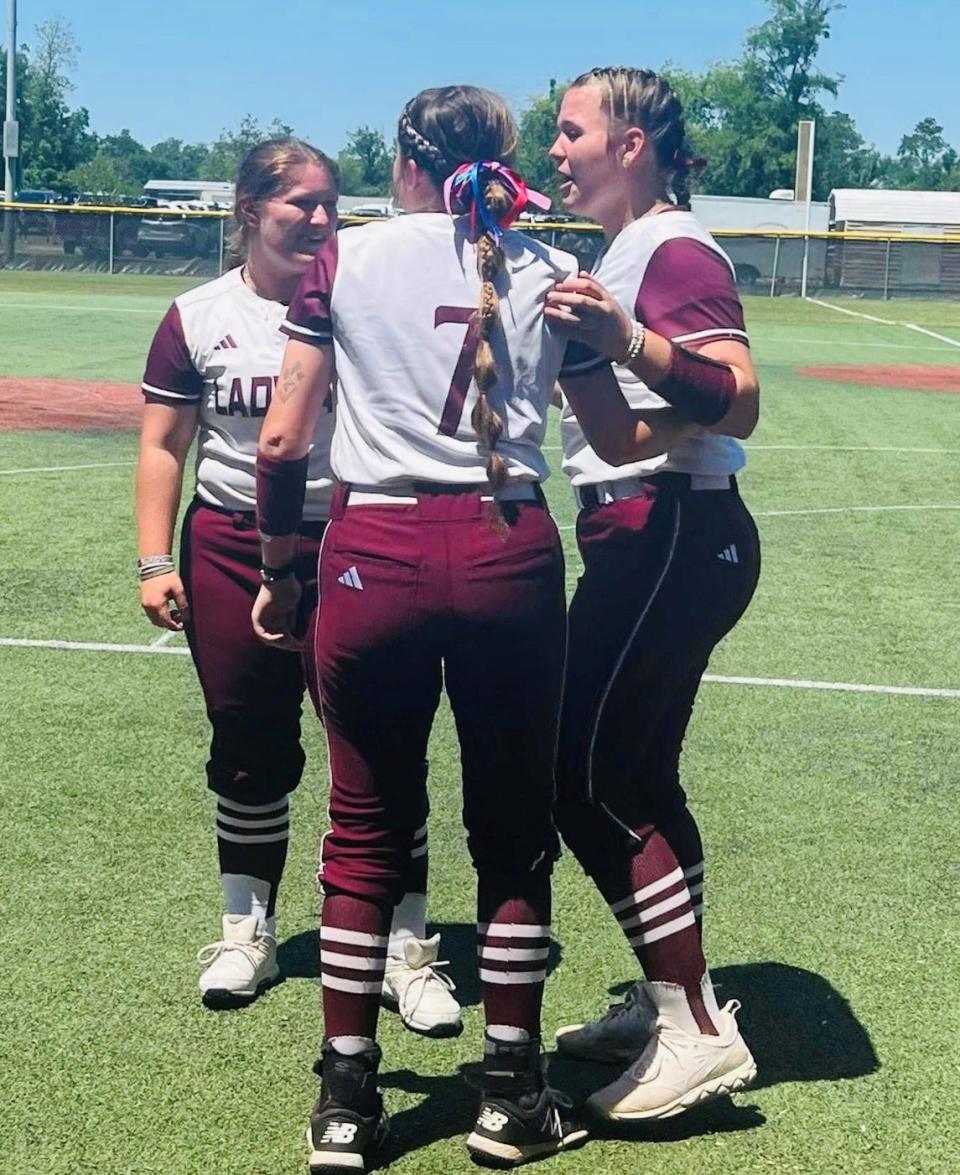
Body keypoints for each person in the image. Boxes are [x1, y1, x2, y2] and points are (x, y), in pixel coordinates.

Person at [251, 84, 676, 1172]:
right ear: (501, 162)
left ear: (404, 160)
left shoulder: (345, 258)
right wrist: (722, 401)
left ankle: (346, 1100)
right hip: (508, 553)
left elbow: (282, 442)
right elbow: (623, 436)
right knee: (512, 825)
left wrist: (282, 574)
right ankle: (512, 1091)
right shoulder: (546, 272)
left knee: (364, 826)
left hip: (370, 555)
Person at [135, 138, 462, 1035]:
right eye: (300, 204)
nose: (321, 219)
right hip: (230, 540)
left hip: (352, 539)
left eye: (331, 204)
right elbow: (165, 443)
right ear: (249, 210)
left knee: (382, 744)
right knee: (247, 736)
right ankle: (249, 927)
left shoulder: (361, 299)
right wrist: (154, 558)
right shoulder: (198, 315)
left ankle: (407, 944)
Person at [543, 66, 762, 1122]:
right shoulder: (627, 249)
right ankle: (678, 993)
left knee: (581, 777)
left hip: (672, 531)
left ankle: (695, 1026)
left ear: (632, 144)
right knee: (634, 771)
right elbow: (624, 434)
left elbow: (740, 394)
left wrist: (623, 337)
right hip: (659, 526)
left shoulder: (672, 246)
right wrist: (572, 348)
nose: (555, 149)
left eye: (569, 130)